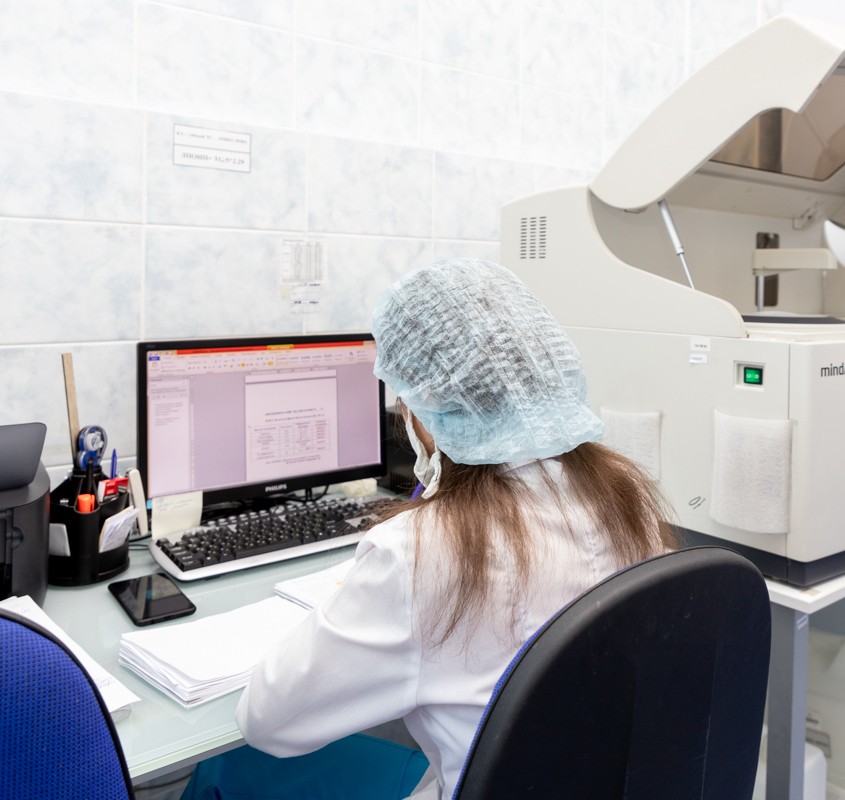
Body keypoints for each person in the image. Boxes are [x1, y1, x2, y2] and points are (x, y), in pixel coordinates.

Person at [183, 259, 675, 800]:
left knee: (225, 770)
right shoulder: (626, 497)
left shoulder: (420, 551)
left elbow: (266, 723)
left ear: (429, 407)